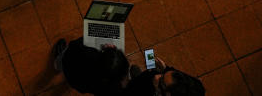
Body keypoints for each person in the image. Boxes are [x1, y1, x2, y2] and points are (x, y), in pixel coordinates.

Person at [51, 38, 204, 96]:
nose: (157, 75)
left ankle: (59, 62)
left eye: (161, 82)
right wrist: (166, 68)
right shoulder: (191, 87)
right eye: (164, 74)